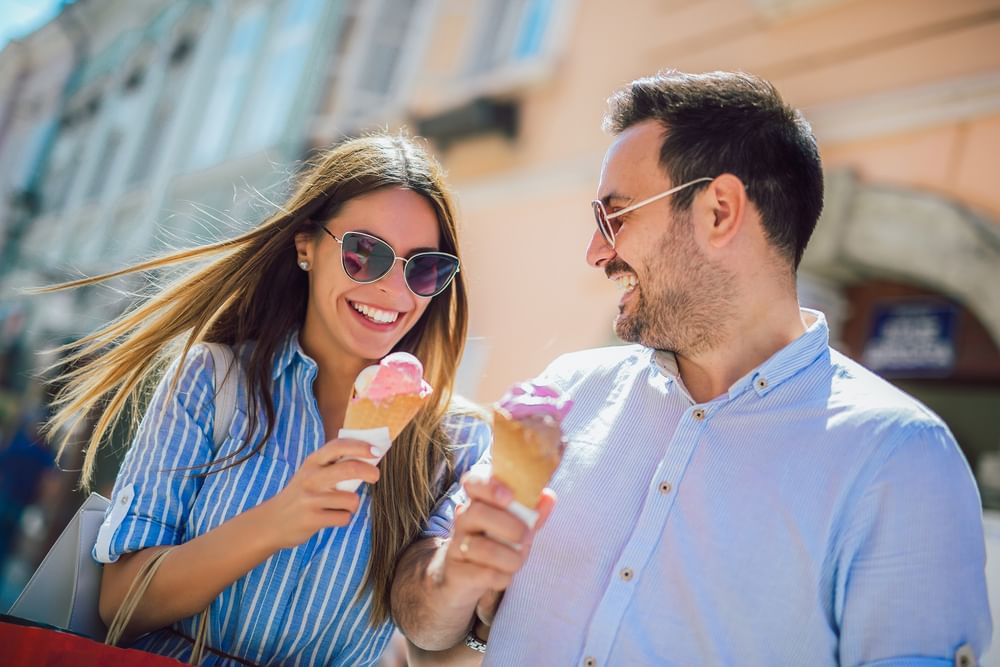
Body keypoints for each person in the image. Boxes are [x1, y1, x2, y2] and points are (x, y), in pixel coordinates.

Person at [391, 71, 993, 665]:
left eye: (616, 216)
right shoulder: (565, 392)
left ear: (719, 211)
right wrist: (454, 574)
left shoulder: (901, 459)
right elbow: (421, 618)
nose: (596, 252)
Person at [42, 134, 489, 665]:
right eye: (364, 254)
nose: (394, 290)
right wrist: (278, 520)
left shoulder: (456, 443)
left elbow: (430, 635)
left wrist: (468, 575)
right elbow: (119, 603)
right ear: (307, 246)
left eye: (423, 268)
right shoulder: (211, 381)